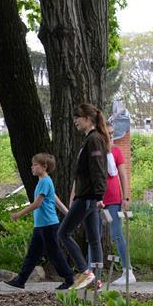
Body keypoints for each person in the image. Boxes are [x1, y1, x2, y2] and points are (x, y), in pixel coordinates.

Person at [5, 153, 76, 290]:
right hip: (41, 225)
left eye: (35, 165)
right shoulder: (44, 181)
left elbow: (37, 204)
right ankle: (21, 280)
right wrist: (68, 213)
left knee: (54, 253)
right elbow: (55, 199)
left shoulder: (45, 182)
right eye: (32, 164)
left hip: (48, 225)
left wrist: (18, 214)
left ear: (45, 167)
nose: (32, 167)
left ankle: (69, 278)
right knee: (33, 253)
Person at [59, 103, 109, 290]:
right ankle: (96, 280)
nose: (75, 122)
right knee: (94, 239)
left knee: (63, 233)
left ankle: (86, 272)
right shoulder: (91, 139)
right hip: (88, 196)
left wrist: (98, 196)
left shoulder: (94, 139)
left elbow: (98, 170)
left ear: (88, 119)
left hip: (88, 197)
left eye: (77, 118)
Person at [102, 121, 133, 286]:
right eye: (109, 133)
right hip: (97, 200)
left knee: (116, 234)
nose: (111, 136)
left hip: (113, 199)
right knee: (95, 235)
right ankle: (94, 272)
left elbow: (123, 175)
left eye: (113, 133)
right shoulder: (95, 151)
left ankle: (128, 270)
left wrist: (126, 197)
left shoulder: (116, 151)